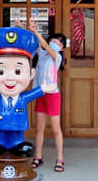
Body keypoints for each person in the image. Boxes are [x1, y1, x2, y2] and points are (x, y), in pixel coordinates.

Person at [0, 26, 58, 157]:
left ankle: (17, 144)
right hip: (0, 128)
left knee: (21, 144)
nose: (10, 78)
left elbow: (30, 95)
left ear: (32, 74)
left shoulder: (21, 98)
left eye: (18, 71)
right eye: (1, 71)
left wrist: (43, 89)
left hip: (18, 126)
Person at [24, 19, 67, 172]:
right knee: (39, 128)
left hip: (52, 96)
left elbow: (46, 46)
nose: (57, 43)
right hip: (40, 94)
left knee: (56, 129)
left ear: (62, 48)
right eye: (55, 40)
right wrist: (21, 28)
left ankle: (60, 159)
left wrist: (35, 31)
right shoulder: (41, 53)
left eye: (60, 43)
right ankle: (38, 157)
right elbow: (31, 43)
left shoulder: (57, 56)